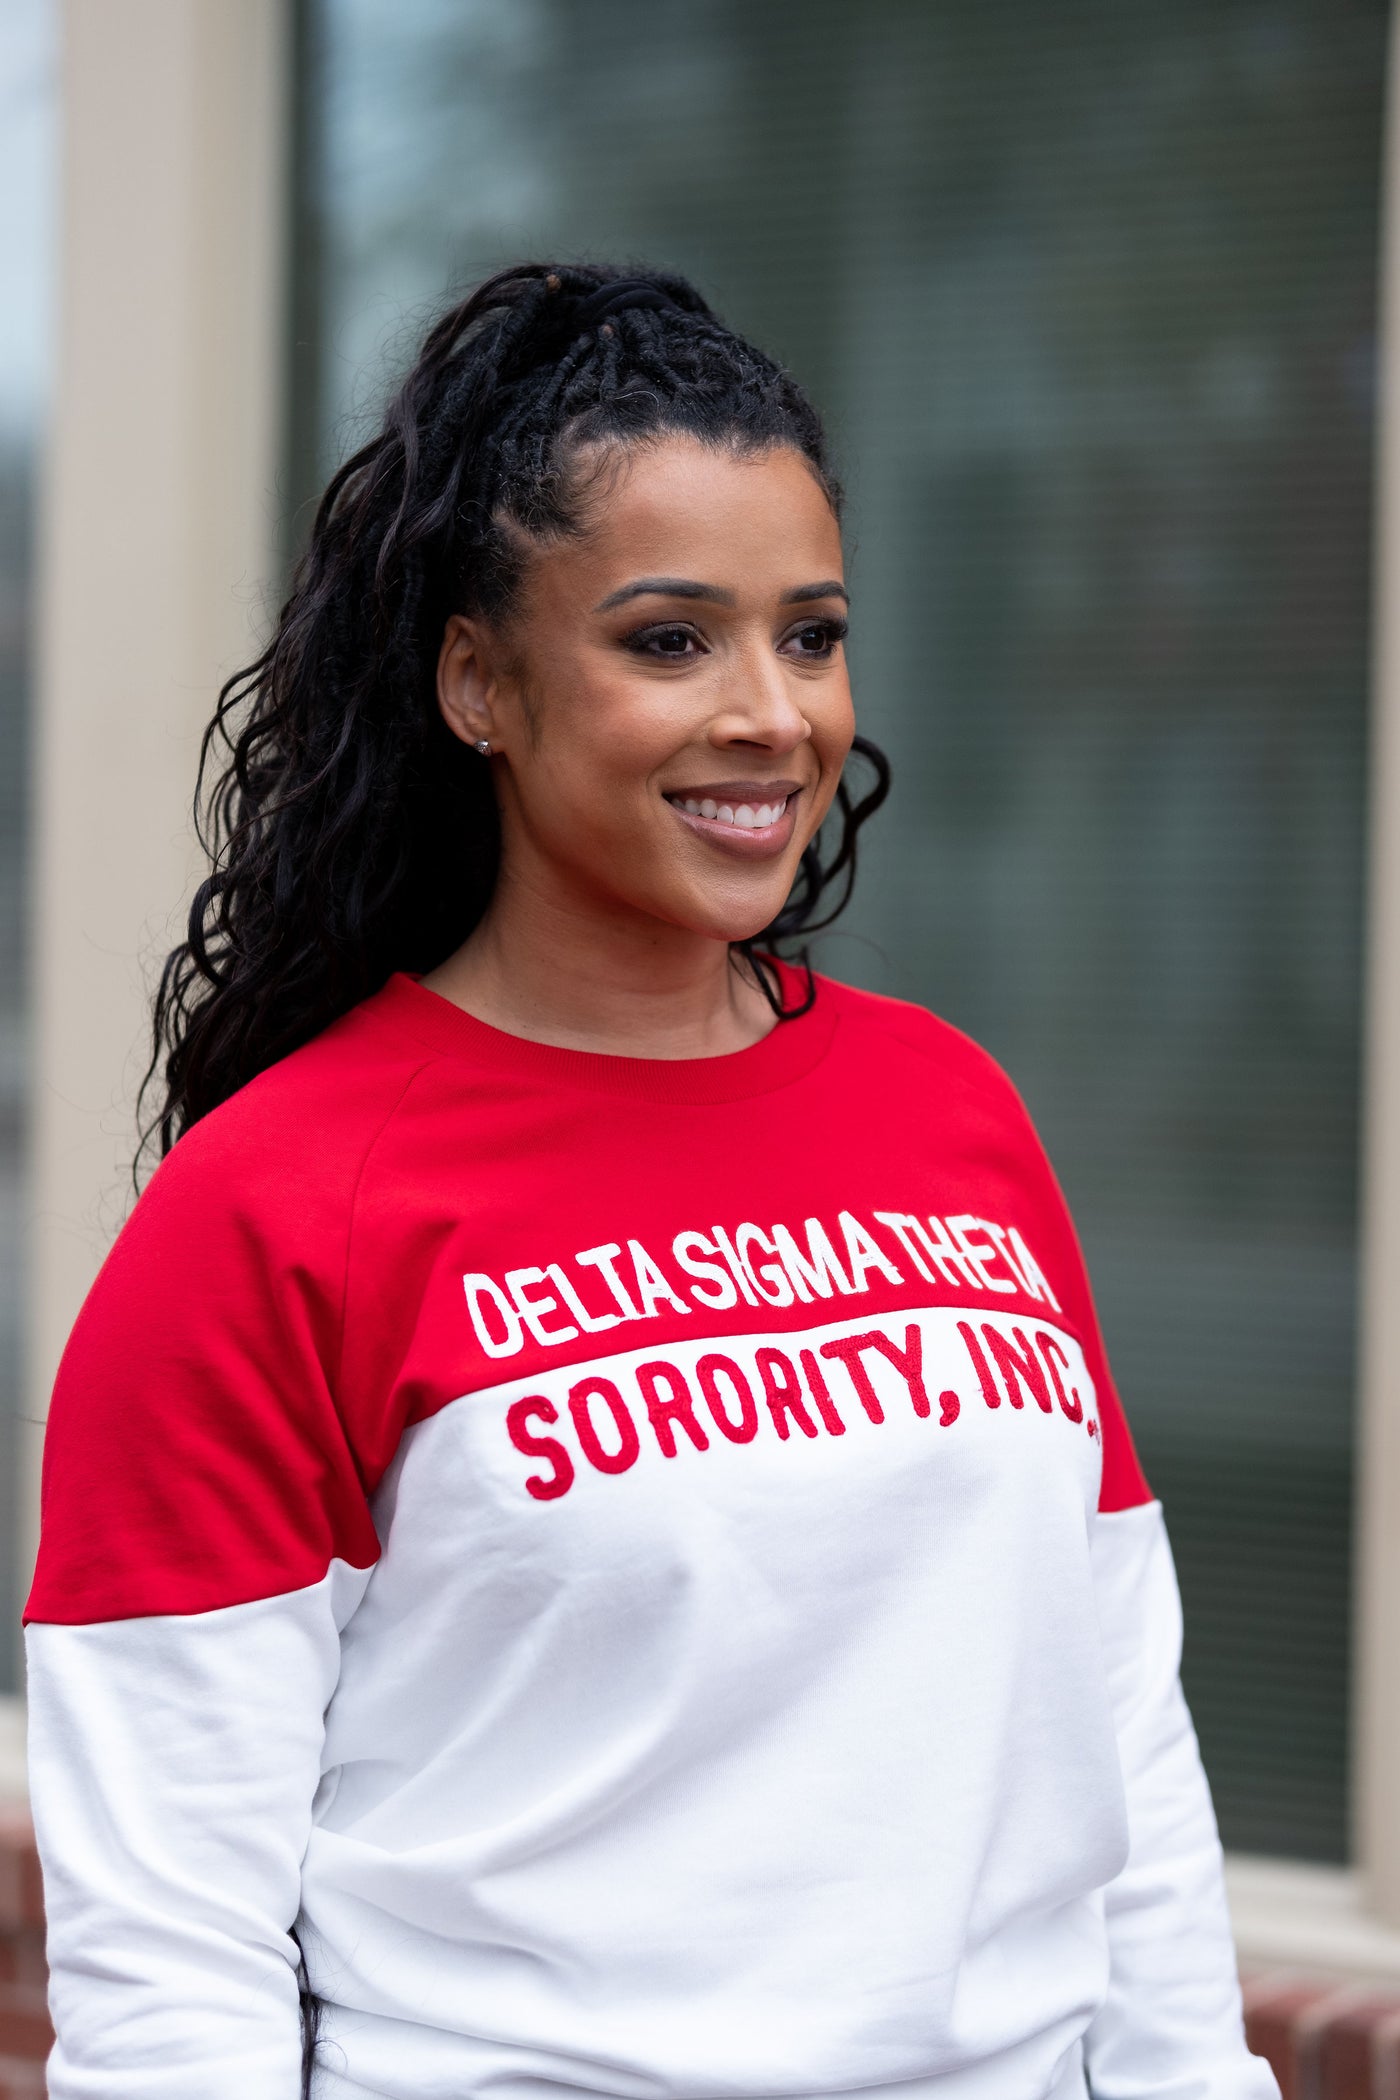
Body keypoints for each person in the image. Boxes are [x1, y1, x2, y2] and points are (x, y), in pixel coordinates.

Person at [23, 261, 1277, 2100]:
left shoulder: (955, 1116)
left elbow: (1118, 1746)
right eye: (670, 640)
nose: (771, 714)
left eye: (814, 634)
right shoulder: (278, 1202)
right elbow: (169, 1961)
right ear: (478, 683)